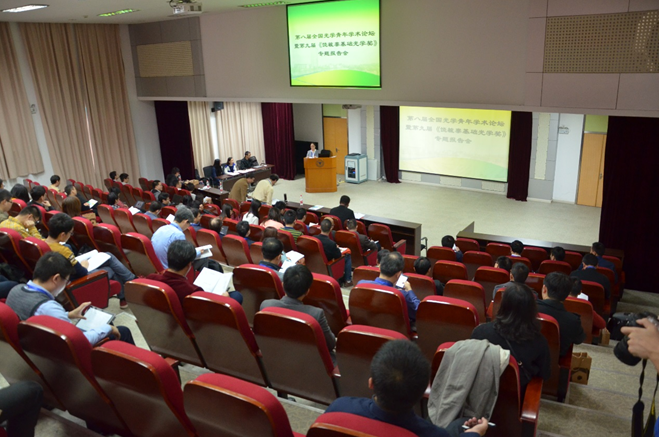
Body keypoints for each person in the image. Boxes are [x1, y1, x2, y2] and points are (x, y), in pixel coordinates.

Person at [326, 340, 488, 437]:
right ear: (423, 393)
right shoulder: (434, 434)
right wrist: (475, 434)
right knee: (460, 425)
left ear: (371, 384)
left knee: (459, 425)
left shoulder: (338, 408)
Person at [6, 252, 134, 345]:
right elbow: (79, 342)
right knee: (121, 330)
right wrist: (108, 329)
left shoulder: (15, 290)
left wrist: (68, 314)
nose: (66, 284)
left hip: (37, 346)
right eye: (66, 280)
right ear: (56, 278)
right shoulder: (49, 307)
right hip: (63, 355)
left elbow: (42, 318)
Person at [45, 213, 136, 309]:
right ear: (62, 235)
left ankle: (125, 293)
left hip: (64, 278)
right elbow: (82, 272)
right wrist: (84, 265)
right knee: (110, 266)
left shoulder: (42, 243)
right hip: (75, 282)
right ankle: (132, 282)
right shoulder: (63, 250)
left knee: (108, 257)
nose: (71, 235)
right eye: (70, 233)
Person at [471, 283, 551, 390]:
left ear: (503, 305)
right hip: (516, 396)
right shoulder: (540, 343)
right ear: (532, 309)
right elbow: (544, 375)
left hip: (480, 392)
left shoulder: (480, 332)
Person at [260, 264, 336, 358]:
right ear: (307, 291)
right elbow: (330, 344)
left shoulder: (266, 306)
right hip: (307, 360)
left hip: (275, 357)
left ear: (282, 285)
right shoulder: (316, 314)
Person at [147, 240, 242, 304]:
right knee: (236, 295)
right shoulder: (192, 291)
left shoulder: (151, 278)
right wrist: (224, 299)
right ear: (189, 264)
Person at [358, 251, 420, 326]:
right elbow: (418, 312)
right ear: (398, 275)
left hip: (366, 326)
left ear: (379, 267)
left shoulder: (361, 284)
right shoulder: (401, 295)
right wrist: (410, 291)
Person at [536, 272, 585, 357]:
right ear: (567, 294)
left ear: (544, 289)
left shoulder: (526, 307)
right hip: (555, 362)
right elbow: (579, 339)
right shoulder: (573, 321)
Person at [318, 218, 352, 286]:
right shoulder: (331, 244)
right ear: (331, 229)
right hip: (329, 264)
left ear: (320, 227)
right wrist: (336, 248)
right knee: (347, 255)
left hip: (317, 264)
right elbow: (338, 256)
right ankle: (348, 280)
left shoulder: (314, 238)